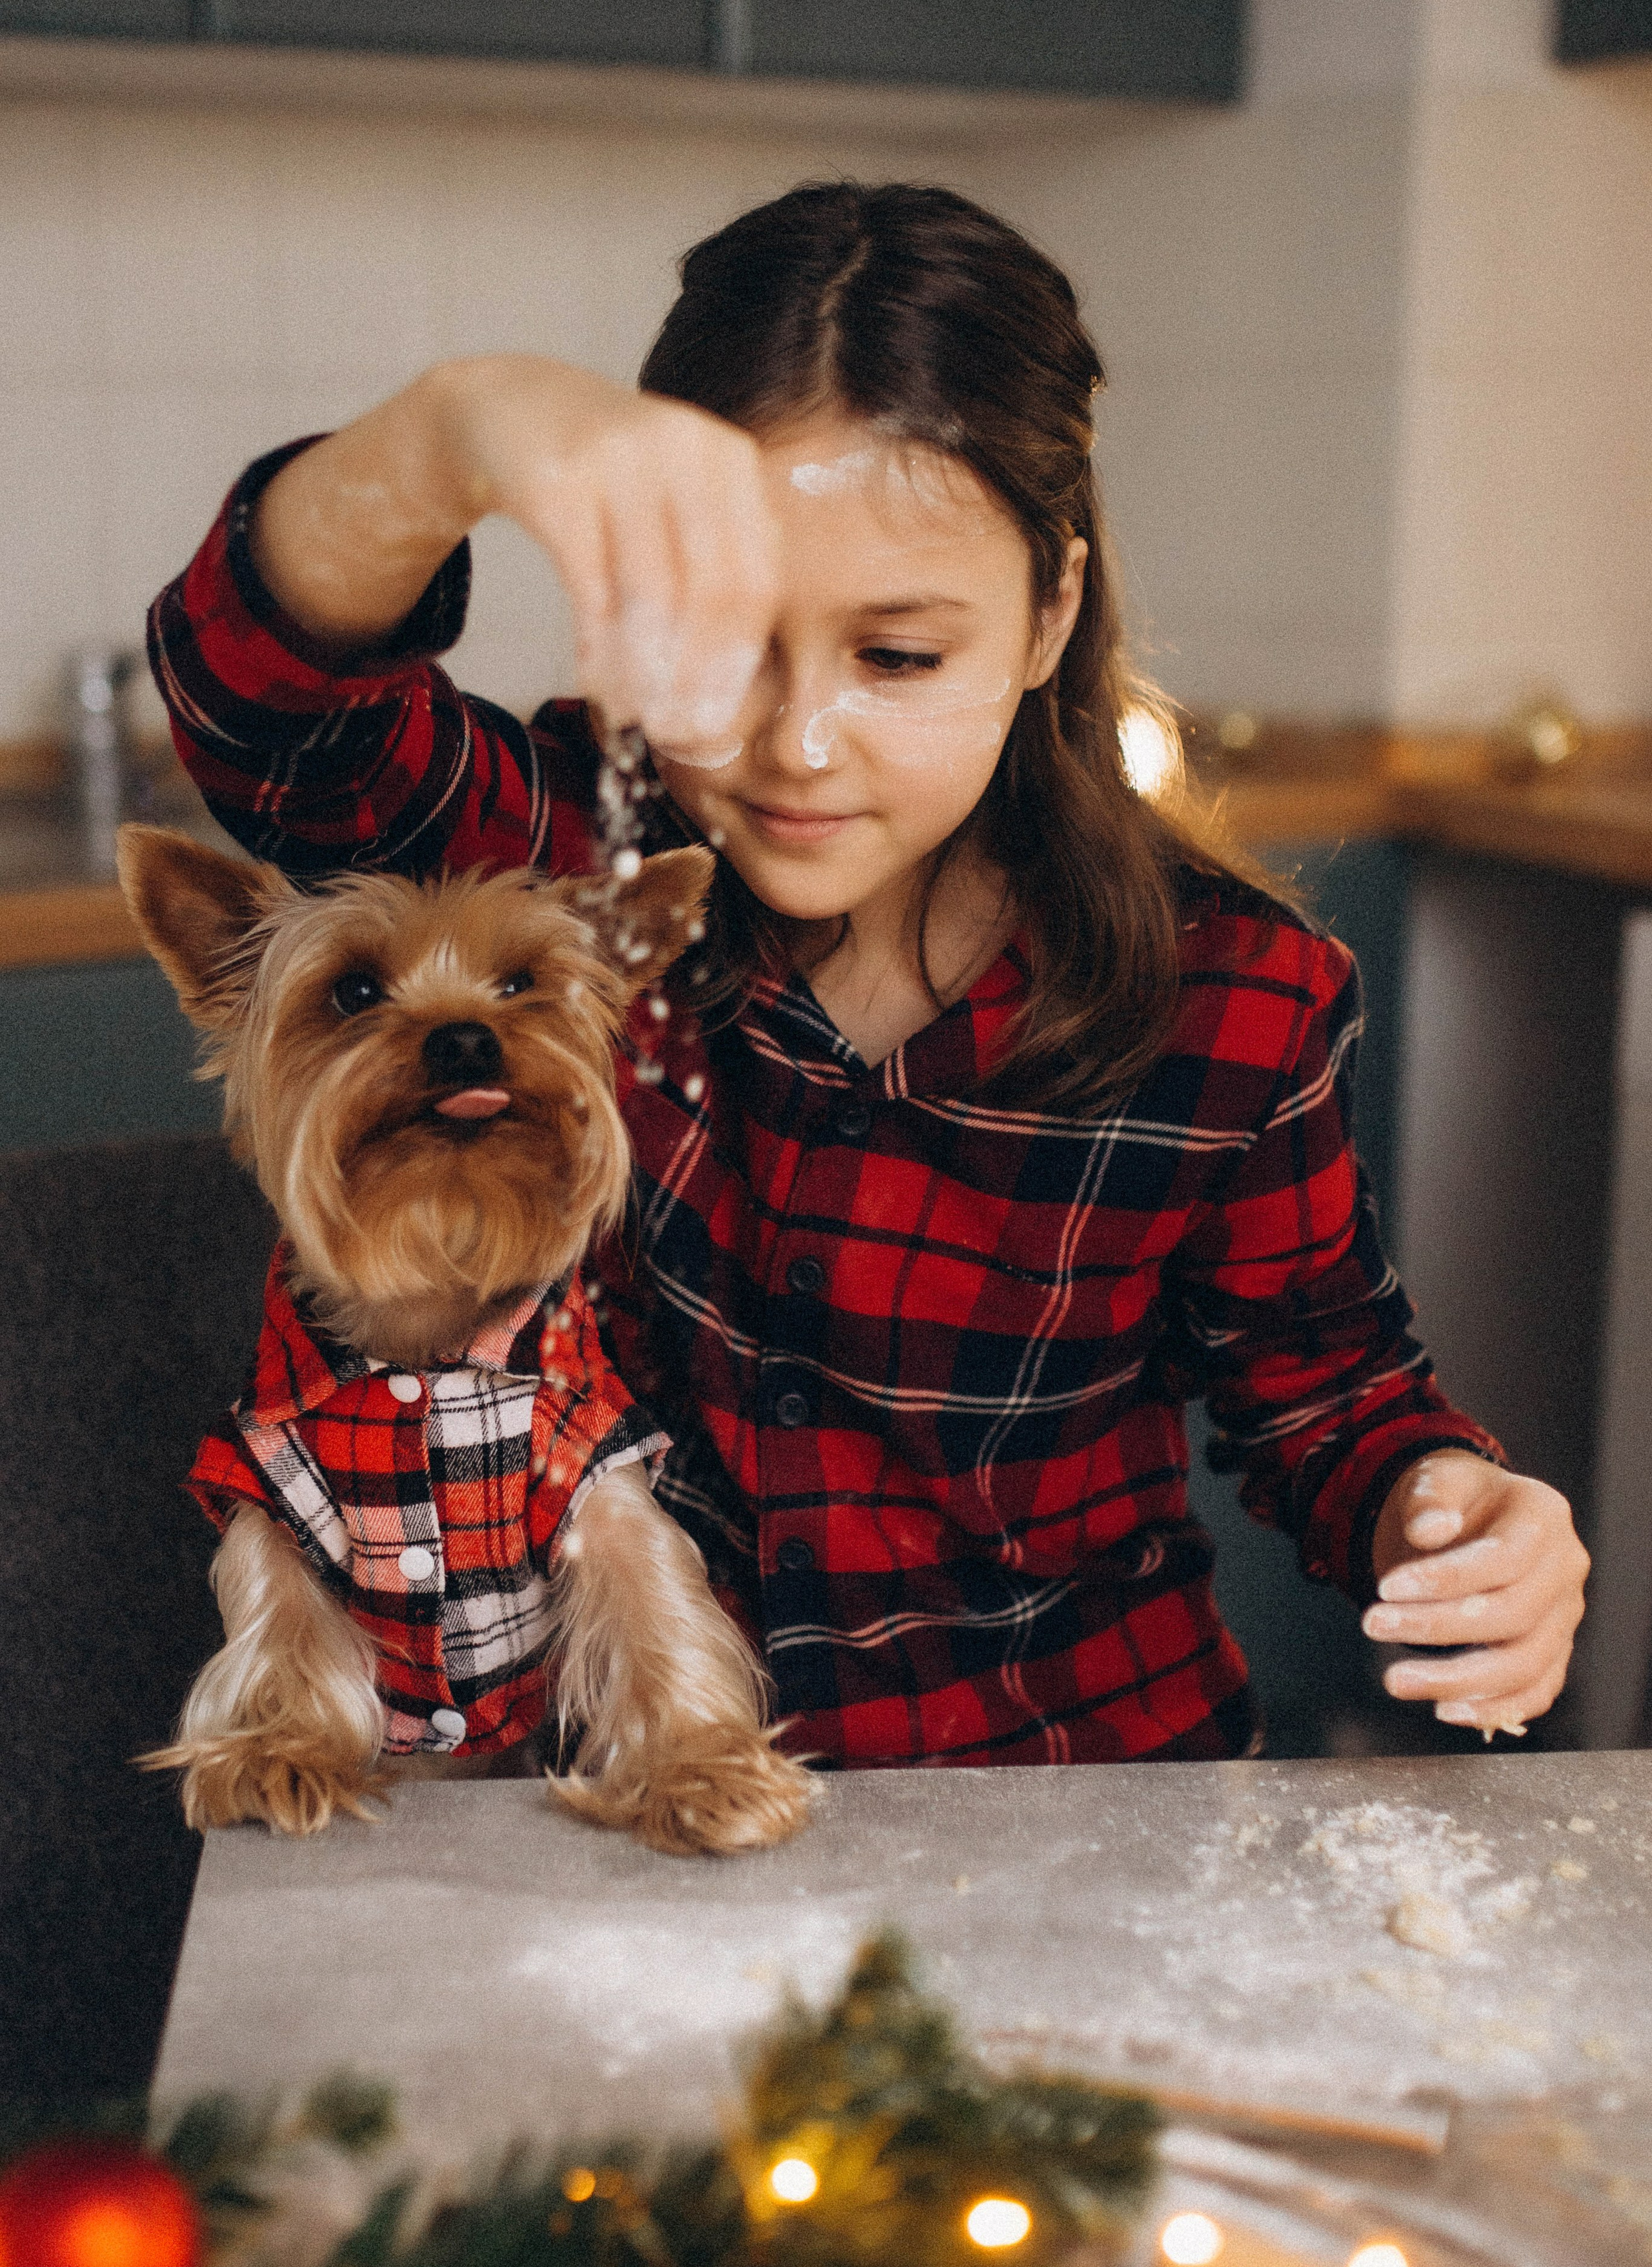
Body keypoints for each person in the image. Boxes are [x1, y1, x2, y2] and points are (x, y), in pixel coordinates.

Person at [148, 181, 1586, 1769]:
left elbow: (1325, 1397)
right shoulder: (573, 871)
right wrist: (455, 428)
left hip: (1081, 1787)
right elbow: (265, 702)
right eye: (727, 638)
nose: (794, 745)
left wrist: (1444, 1509)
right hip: (646, 1804)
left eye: (896, 658)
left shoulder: (1232, 992)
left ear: (1048, 613)